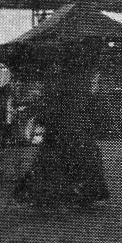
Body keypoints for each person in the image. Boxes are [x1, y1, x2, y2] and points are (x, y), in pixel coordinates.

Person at [16, 41, 111, 208]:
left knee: (54, 160)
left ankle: (52, 195)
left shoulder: (58, 77)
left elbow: (50, 100)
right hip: (76, 124)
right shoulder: (82, 77)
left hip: (61, 123)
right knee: (82, 158)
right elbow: (88, 101)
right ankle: (83, 193)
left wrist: (41, 115)